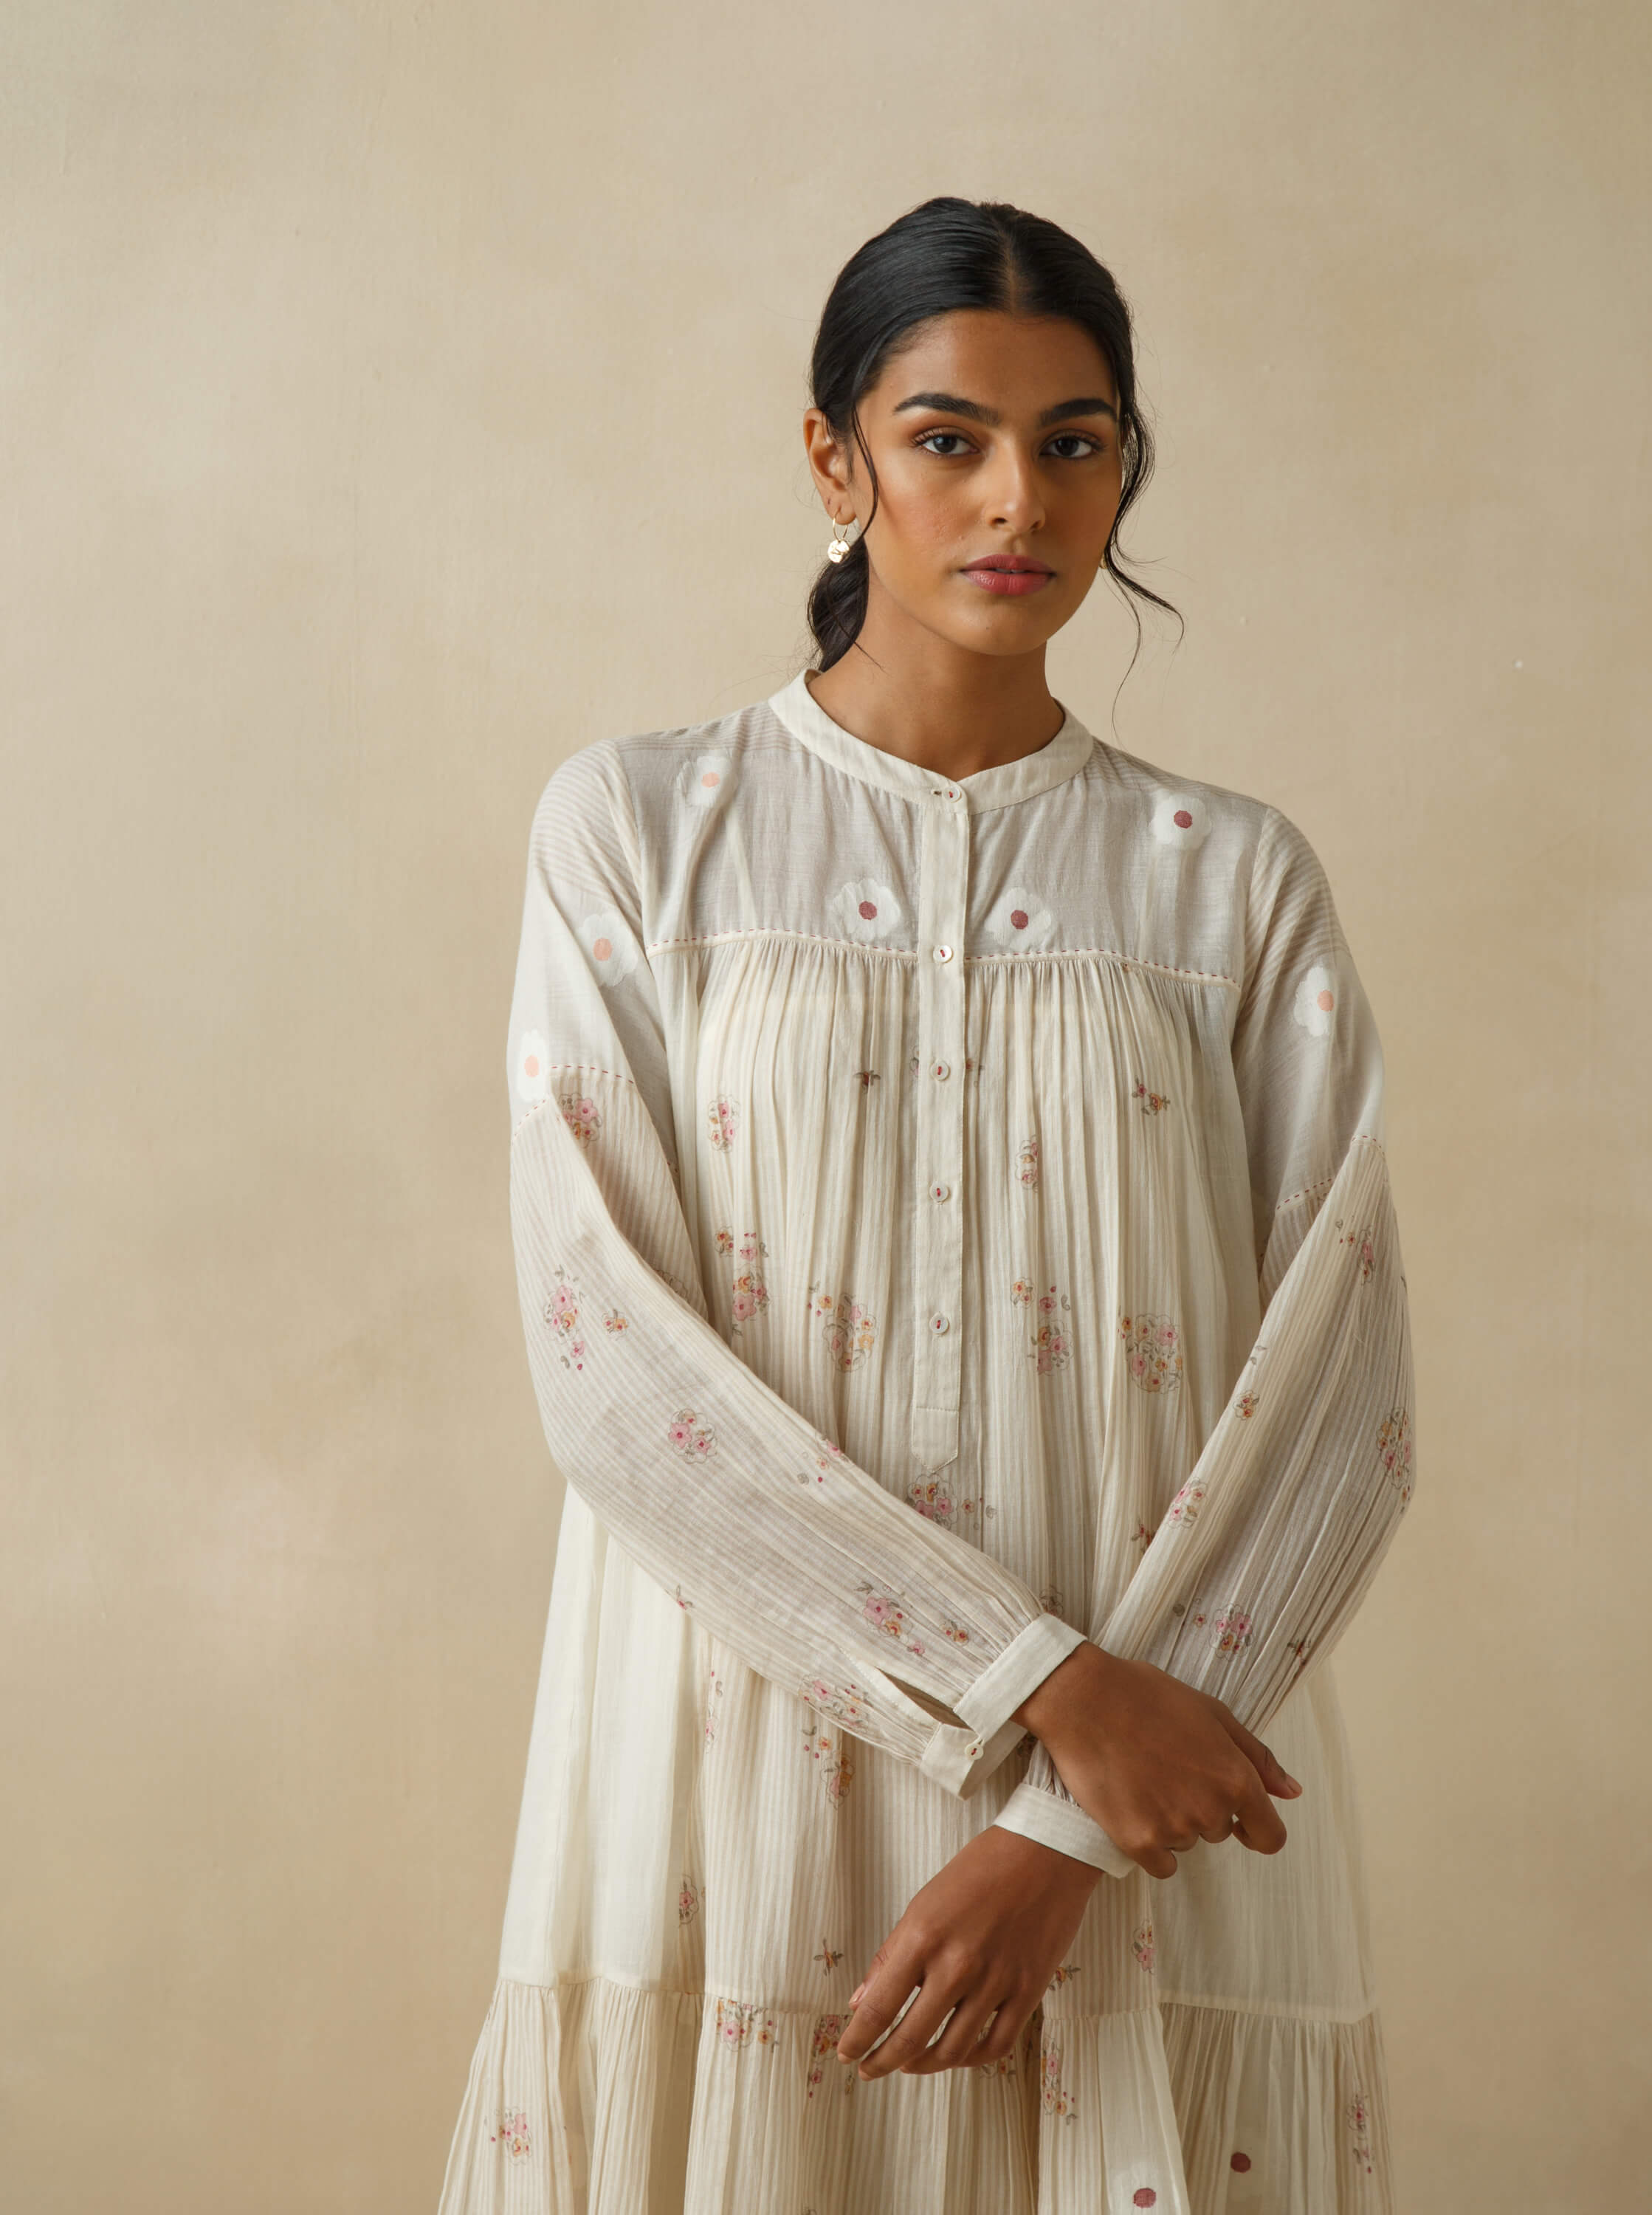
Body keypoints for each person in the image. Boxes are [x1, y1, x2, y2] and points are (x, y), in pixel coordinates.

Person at [437, 195, 1415, 2215]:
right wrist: (1048, 1702)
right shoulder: (636, 832)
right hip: (737, 1763)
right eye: (945, 435)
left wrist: (1065, 1830)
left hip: (1145, 1820)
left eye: (1074, 441)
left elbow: (1339, 1397)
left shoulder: (1225, 885)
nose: (1016, 498)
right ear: (835, 459)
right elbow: (610, 1360)